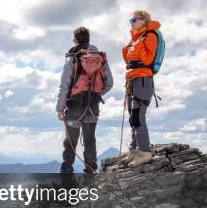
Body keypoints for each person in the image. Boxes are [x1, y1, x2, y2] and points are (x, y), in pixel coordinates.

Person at [57, 26, 113, 174]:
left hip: (74, 106)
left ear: (75, 39)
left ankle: (66, 174)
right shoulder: (100, 59)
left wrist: (60, 108)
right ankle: (90, 173)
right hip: (92, 106)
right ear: (88, 38)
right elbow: (109, 83)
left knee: (70, 142)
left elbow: (64, 85)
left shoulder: (72, 58)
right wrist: (97, 94)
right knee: (89, 140)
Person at [121, 10, 162, 167]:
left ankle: (144, 152)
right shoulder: (137, 39)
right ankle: (134, 149)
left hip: (143, 80)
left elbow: (147, 59)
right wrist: (129, 48)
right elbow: (129, 62)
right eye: (130, 20)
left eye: (134, 19)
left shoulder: (150, 36)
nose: (131, 22)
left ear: (144, 20)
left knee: (138, 117)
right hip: (133, 79)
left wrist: (136, 45)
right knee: (133, 117)